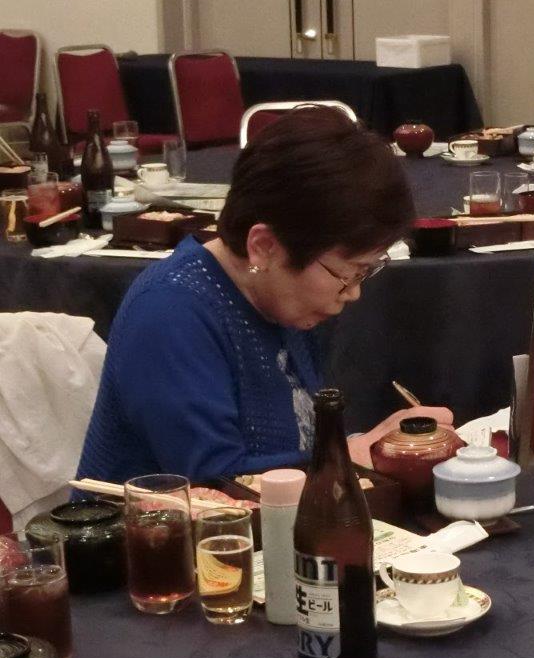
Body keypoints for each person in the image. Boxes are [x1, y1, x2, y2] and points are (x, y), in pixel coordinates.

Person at [78, 107, 452, 483]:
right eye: (347, 273)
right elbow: (218, 484)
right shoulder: (169, 313)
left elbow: (300, 447)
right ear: (264, 246)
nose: (353, 292)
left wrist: (369, 444)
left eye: (364, 272)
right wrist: (357, 454)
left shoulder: (282, 299)